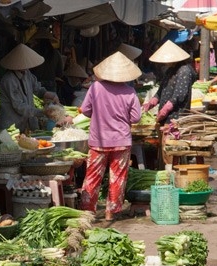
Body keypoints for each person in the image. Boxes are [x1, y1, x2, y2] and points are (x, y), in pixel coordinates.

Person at [79, 51, 142, 221]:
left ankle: (88, 211)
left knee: (92, 176)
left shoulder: (95, 88)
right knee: (117, 178)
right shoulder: (130, 92)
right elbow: (136, 117)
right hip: (121, 141)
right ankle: (110, 212)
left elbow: (85, 110)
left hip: (98, 141)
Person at [0, 43, 60, 132]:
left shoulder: (27, 74)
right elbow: (19, 106)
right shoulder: (9, 80)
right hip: (11, 126)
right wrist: (42, 112)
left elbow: (37, 88)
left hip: (26, 124)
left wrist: (49, 95)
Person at [143, 40, 197, 125]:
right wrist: (151, 102)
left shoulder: (184, 70)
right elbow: (161, 90)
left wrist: (166, 109)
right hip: (165, 119)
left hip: (176, 118)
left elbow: (179, 96)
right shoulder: (169, 70)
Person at [30, 28, 63, 94]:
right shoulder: (56, 53)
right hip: (51, 83)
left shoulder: (33, 51)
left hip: (36, 83)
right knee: (51, 103)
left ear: (38, 40)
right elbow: (60, 72)